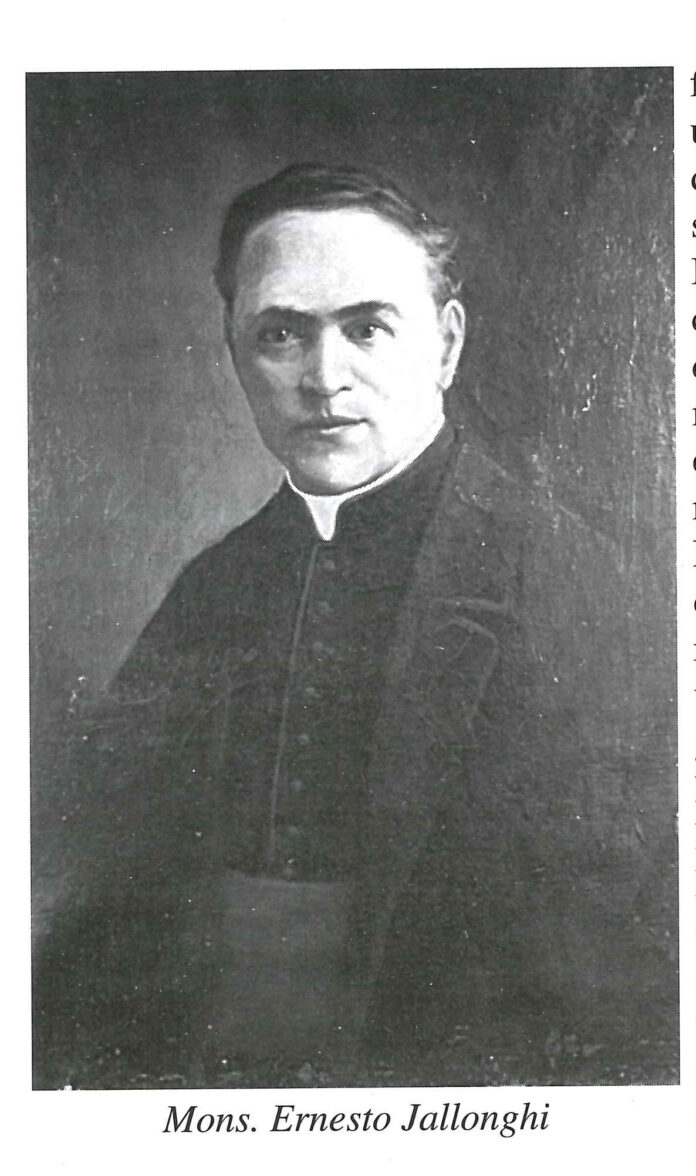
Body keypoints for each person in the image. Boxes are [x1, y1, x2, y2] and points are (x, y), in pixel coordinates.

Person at [33, 163, 678, 1089]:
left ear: (446, 345)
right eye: (281, 335)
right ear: (234, 353)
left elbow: (619, 966)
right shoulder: (209, 593)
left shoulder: (585, 586)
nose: (323, 378)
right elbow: (101, 914)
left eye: (368, 328)